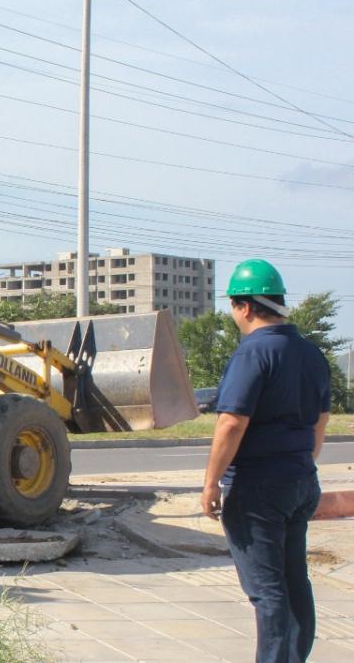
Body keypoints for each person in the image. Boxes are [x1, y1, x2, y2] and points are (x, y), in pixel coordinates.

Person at [201, 259, 330, 663]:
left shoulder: (254, 353)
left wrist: (211, 483)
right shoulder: (311, 354)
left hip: (258, 488)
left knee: (268, 591)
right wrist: (299, 464)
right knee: (295, 582)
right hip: (300, 480)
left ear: (244, 307)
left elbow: (232, 424)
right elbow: (320, 422)